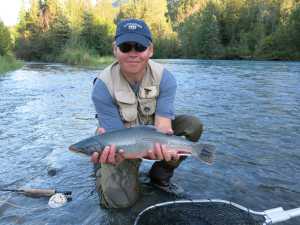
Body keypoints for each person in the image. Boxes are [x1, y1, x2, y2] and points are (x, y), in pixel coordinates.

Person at [91, 18, 203, 209]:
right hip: (122, 145)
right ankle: (101, 170)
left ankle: (160, 176)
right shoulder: (102, 86)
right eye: (126, 47)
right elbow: (117, 140)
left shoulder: (165, 77)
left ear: (150, 50)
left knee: (192, 125)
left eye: (140, 47)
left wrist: (160, 151)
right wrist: (125, 158)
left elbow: (164, 127)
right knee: (119, 204)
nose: (133, 53)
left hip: (153, 136)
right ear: (115, 49)